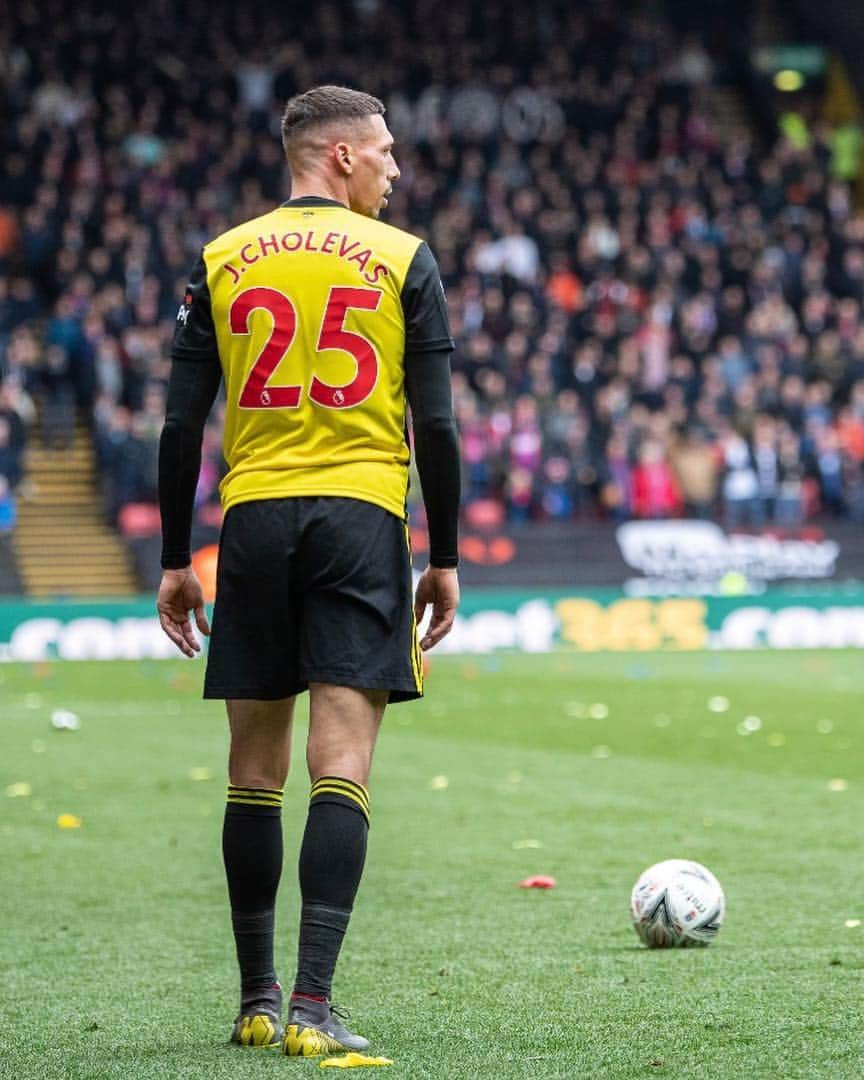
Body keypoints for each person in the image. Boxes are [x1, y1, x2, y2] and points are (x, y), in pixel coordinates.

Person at [156, 85, 461, 1058]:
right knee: (342, 765)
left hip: (251, 520)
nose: (395, 171)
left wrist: (173, 557)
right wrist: (445, 555)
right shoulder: (404, 258)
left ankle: (255, 999)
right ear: (340, 157)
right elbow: (439, 425)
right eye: (385, 154)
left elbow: (178, 426)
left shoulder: (220, 257)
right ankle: (315, 1011)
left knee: (253, 774)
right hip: (359, 516)